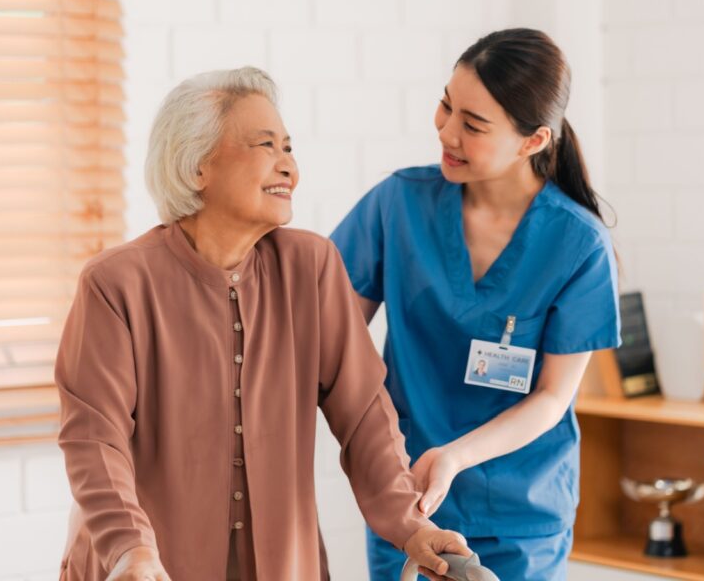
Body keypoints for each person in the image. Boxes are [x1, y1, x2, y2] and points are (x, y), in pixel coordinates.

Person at [54, 67, 471, 581]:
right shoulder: (115, 284)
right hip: (145, 568)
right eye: (266, 146)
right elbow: (96, 439)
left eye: (290, 149)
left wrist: (412, 526)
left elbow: (364, 415)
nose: (289, 168)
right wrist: (128, 547)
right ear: (197, 166)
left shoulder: (312, 266)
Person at [330, 29, 622, 581]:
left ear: (532, 141)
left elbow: (553, 396)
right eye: (446, 105)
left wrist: (457, 455)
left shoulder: (578, 244)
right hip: (408, 505)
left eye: (474, 123)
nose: (446, 131)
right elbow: (326, 336)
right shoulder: (399, 205)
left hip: (519, 513)